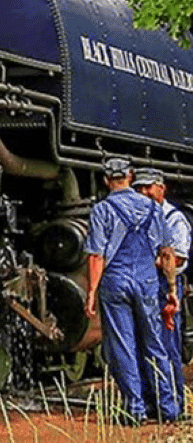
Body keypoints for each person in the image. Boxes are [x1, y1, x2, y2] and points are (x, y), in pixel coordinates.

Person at [84, 156, 179, 424]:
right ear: (131, 175)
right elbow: (167, 253)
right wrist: (171, 289)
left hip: (115, 281)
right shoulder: (153, 208)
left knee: (123, 346)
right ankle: (167, 410)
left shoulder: (101, 210)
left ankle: (135, 410)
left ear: (106, 180)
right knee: (155, 344)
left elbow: (96, 256)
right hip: (147, 281)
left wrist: (91, 292)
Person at [133, 167, 190, 415]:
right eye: (140, 188)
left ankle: (174, 404)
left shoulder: (173, 218)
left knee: (167, 348)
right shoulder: (135, 217)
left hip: (162, 287)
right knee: (142, 346)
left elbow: (176, 258)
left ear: (161, 188)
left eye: (149, 187)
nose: (144, 193)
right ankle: (151, 402)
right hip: (143, 286)